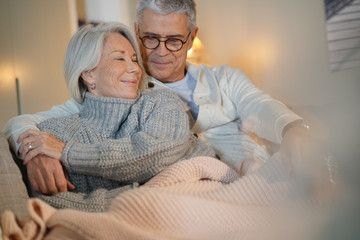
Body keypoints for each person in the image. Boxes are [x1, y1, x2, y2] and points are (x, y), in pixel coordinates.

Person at [2, 0, 308, 195]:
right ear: (137, 31)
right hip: (191, 192)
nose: (160, 51)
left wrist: (293, 129)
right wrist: (38, 151)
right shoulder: (124, 91)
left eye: (174, 40)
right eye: (150, 38)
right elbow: (25, 121)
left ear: (191, 37)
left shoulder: (224, 79)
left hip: (254, 180)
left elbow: (264, 107)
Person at [10, 22, 215, 212]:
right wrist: (137, 199)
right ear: (88, 74)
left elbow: (158, 151)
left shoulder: (160, 102)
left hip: (207, 199)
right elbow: (49, 202)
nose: (136, 68)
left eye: (135, 59)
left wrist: (69, 153)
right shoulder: (55, 133)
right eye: (119, 58)